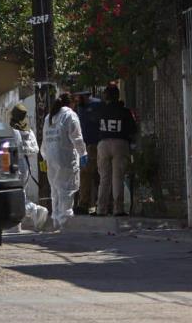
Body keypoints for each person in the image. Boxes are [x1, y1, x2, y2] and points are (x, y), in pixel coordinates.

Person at [40, 93, 87, 230]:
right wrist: (83, 154)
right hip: (65, 159)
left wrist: (44, 156)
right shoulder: (70, 115)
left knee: (55, 191)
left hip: (51, 158)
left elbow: (44, 139)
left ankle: (56, 220)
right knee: (67, 190)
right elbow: (77, 138)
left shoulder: (49, 117)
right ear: (71, 103)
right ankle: (65, 222)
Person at [96, 84, 137, 217]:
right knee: (117, 177)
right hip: (120, 143)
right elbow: (133, 129)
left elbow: (94, 125)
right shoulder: (125, 111)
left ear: (106, 96)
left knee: (104, 178)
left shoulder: (100, 109)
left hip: (103, 144)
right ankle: (117, 209)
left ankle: (101, 209)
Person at [9, 103, 48, 232]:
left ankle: (34, 211)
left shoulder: (13, 130)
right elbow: (35, 149)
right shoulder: (28, 130)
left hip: (15, 164)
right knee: (20, 193)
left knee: (15, 194)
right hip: (26, 164)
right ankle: (16, 224)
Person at [74, 91, 101, 215]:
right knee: (85, 176)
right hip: (85, 147)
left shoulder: (97, 105)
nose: (77, 99)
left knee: (96, 176)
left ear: (85, 96)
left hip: (96, 145)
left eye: (79, 96)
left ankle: (95, 204)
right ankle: (86, 204)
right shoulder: (80, 107)